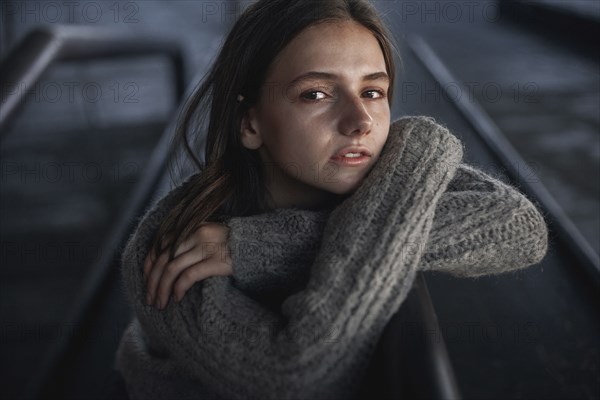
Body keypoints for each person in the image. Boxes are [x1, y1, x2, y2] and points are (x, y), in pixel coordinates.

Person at [115, 0, 549, 399]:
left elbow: (520, 227)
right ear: (249, 124)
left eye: (373, 92)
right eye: (316, 94)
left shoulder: (377, 168)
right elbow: (298, 375)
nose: (360, 122)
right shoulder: (170, 249)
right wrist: (423, 151)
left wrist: (259, 246)